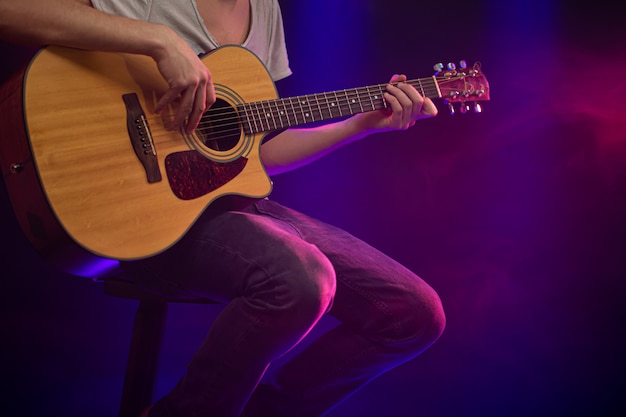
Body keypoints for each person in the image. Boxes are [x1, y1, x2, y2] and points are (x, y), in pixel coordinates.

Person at [0, 1, 446, 416]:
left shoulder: (263, 9)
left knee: (412, 315)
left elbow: (259, 152)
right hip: (137, 215)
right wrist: (160, 41)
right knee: (301, 280)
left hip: (221, 206)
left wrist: (361, 125)